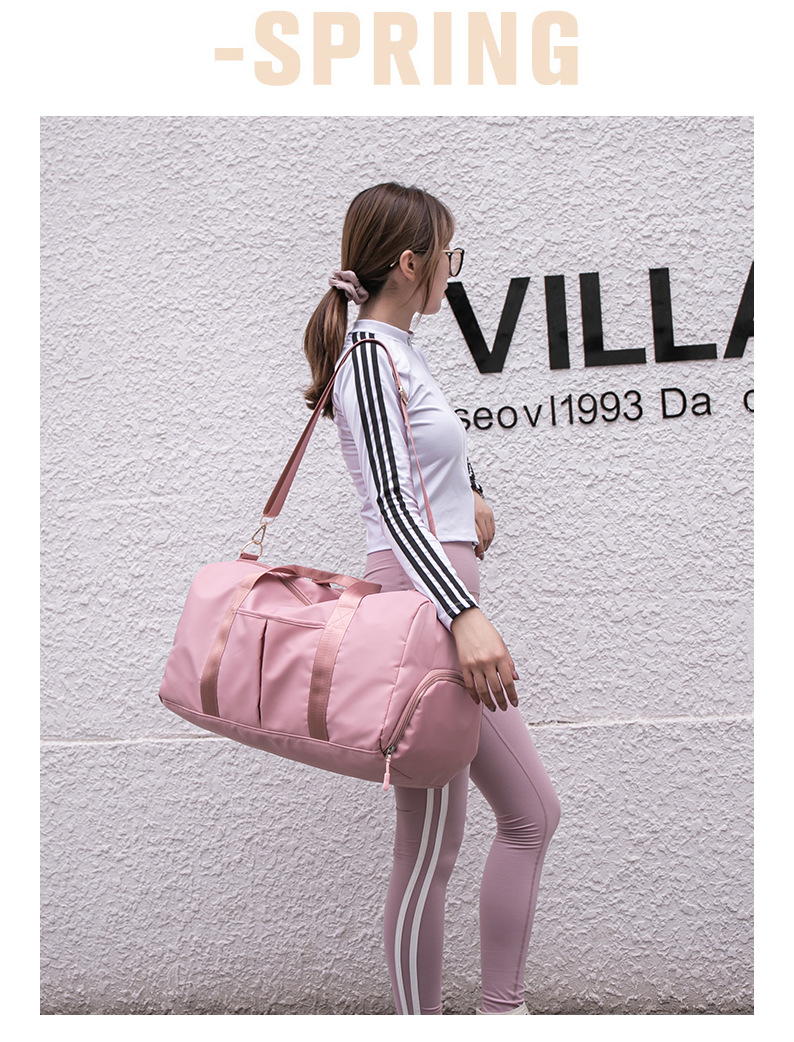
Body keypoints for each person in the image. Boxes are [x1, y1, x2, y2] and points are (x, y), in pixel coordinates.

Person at [302, 182, 560, 1016]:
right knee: (430, 852)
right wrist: (465, 615)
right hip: (426, 613)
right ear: (412, 263)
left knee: (530, 815)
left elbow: (421, 463)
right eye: (449, 254)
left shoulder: (399, 352)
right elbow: (391, 500)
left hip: (438, 606)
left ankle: (502, 1014)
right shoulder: (370, 359)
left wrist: (470, 491)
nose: (454, 267)